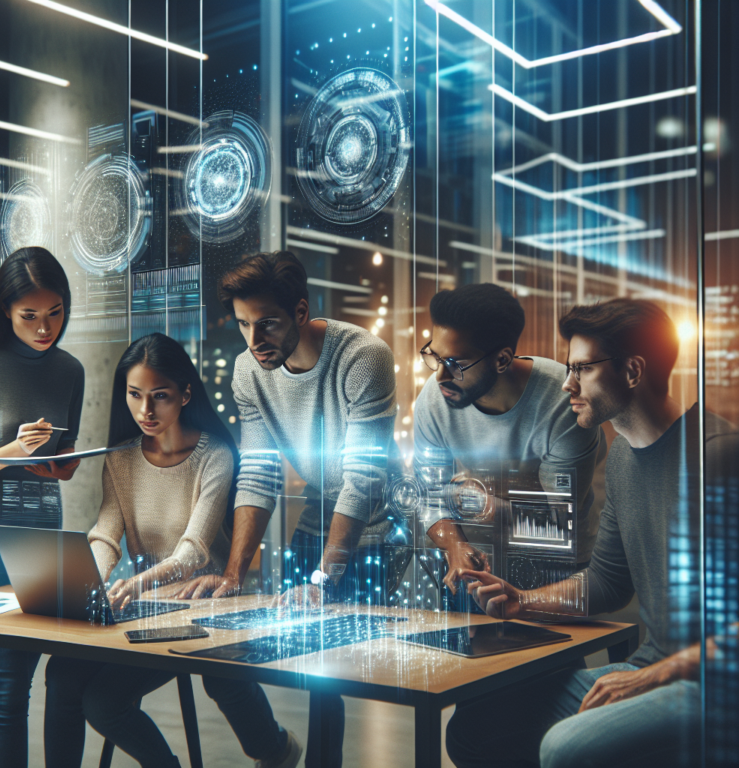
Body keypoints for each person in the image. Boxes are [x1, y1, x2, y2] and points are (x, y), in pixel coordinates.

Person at [446, 298, 738, 768]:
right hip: (653, 669)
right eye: (568, 368)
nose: (567, 384)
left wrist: (646, 679)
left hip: (712, 687)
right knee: (474, 730)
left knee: (566, 747)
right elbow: (607, 582)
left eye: (582, 369)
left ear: (633, 371)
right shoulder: (623, 458)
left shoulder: (718, 457)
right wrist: (523, 600)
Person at [178, 250, 399, 768]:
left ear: (301, 312)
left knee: (330, 665)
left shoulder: (363, 356)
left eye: (268, 324)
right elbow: (259, 471)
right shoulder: (246, 372)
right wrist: (234, 573)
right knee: (301, 664)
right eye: (244, 325)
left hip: (384, 521)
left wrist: (323, 579)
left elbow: (363, 480)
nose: (255, 342)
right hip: (323, 510)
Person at [43, 333, 300, 768]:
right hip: (150, 609)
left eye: (159, 396)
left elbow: (193, 551)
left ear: (184, 394)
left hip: (204, 605)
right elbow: (107, 532)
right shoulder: (121, 457)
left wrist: (136, 582)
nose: (145, 410)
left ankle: (273, 750)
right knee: (61, 675)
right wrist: (95, 579)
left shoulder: (214, 455)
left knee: (107, 702)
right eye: (134, 395)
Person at [413, 283, 605, 607]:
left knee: (555, 655)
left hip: (556, 560)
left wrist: (473, 500)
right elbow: (430, 496)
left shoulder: (563, 405)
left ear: (502, 360)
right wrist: (454, 546)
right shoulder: (434, 400)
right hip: (482, 553)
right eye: (435, 356)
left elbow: (557, 522)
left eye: (457, 364)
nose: (441, 376)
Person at [0, 247, 84, 768]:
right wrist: (12, 452)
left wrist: (63, 467)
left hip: (45, 540)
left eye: (55, 312)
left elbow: (66, 457)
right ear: (5, 311)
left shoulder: (70, 371)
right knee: (9, 691)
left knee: (59, 684)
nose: (46, 328)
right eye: (30, 316)